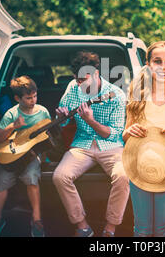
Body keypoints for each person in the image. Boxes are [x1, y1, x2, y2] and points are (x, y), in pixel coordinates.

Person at [52, 51, 129, 237]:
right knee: (60, 176)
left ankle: (110, 228)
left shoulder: (116, 94)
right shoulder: (73, 87)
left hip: (111, 145)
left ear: (96, 73)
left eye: (85, 80)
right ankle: (83, 226)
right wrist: (61, 116)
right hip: (83, 144)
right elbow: (62, 121)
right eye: (78, 81)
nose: (82, 85)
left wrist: (91, 121)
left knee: (123, 175)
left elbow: (114, 133)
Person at [122, 41, 165, 237]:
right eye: (157, 61)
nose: (163, 67)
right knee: (142, 228)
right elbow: (125, 136)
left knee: (162, 227)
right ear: (148, 65)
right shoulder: (138, 96)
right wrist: (131, 131)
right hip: (139, 163)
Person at [0, 76, 50, 237]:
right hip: (12, 155)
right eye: (28, 98)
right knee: (2, 181)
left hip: (32, 155)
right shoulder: (11, 113)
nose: (33, 100)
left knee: (31, 176)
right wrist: (13, 126)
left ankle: (36, 219)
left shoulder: (42, 112)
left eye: (35, 96)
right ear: (17, 98)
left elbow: (47, 136)